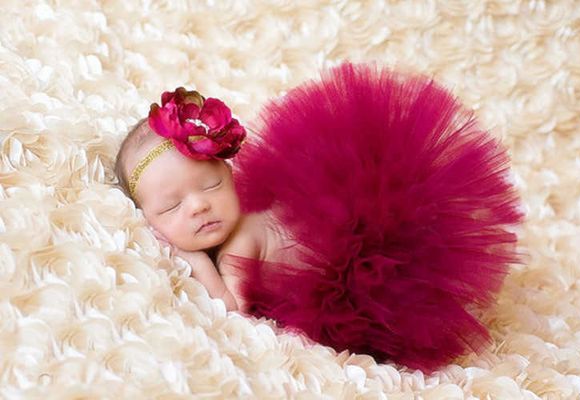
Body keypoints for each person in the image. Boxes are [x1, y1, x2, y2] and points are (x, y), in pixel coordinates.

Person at [115, 63, 524, 372]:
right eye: (171, 207)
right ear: (146, 219)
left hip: (356, 259)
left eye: (210, 186)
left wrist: (196, 260)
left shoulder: (239, 243)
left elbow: (230, 309)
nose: (198, 206)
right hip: (355, 282)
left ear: (230, 174)